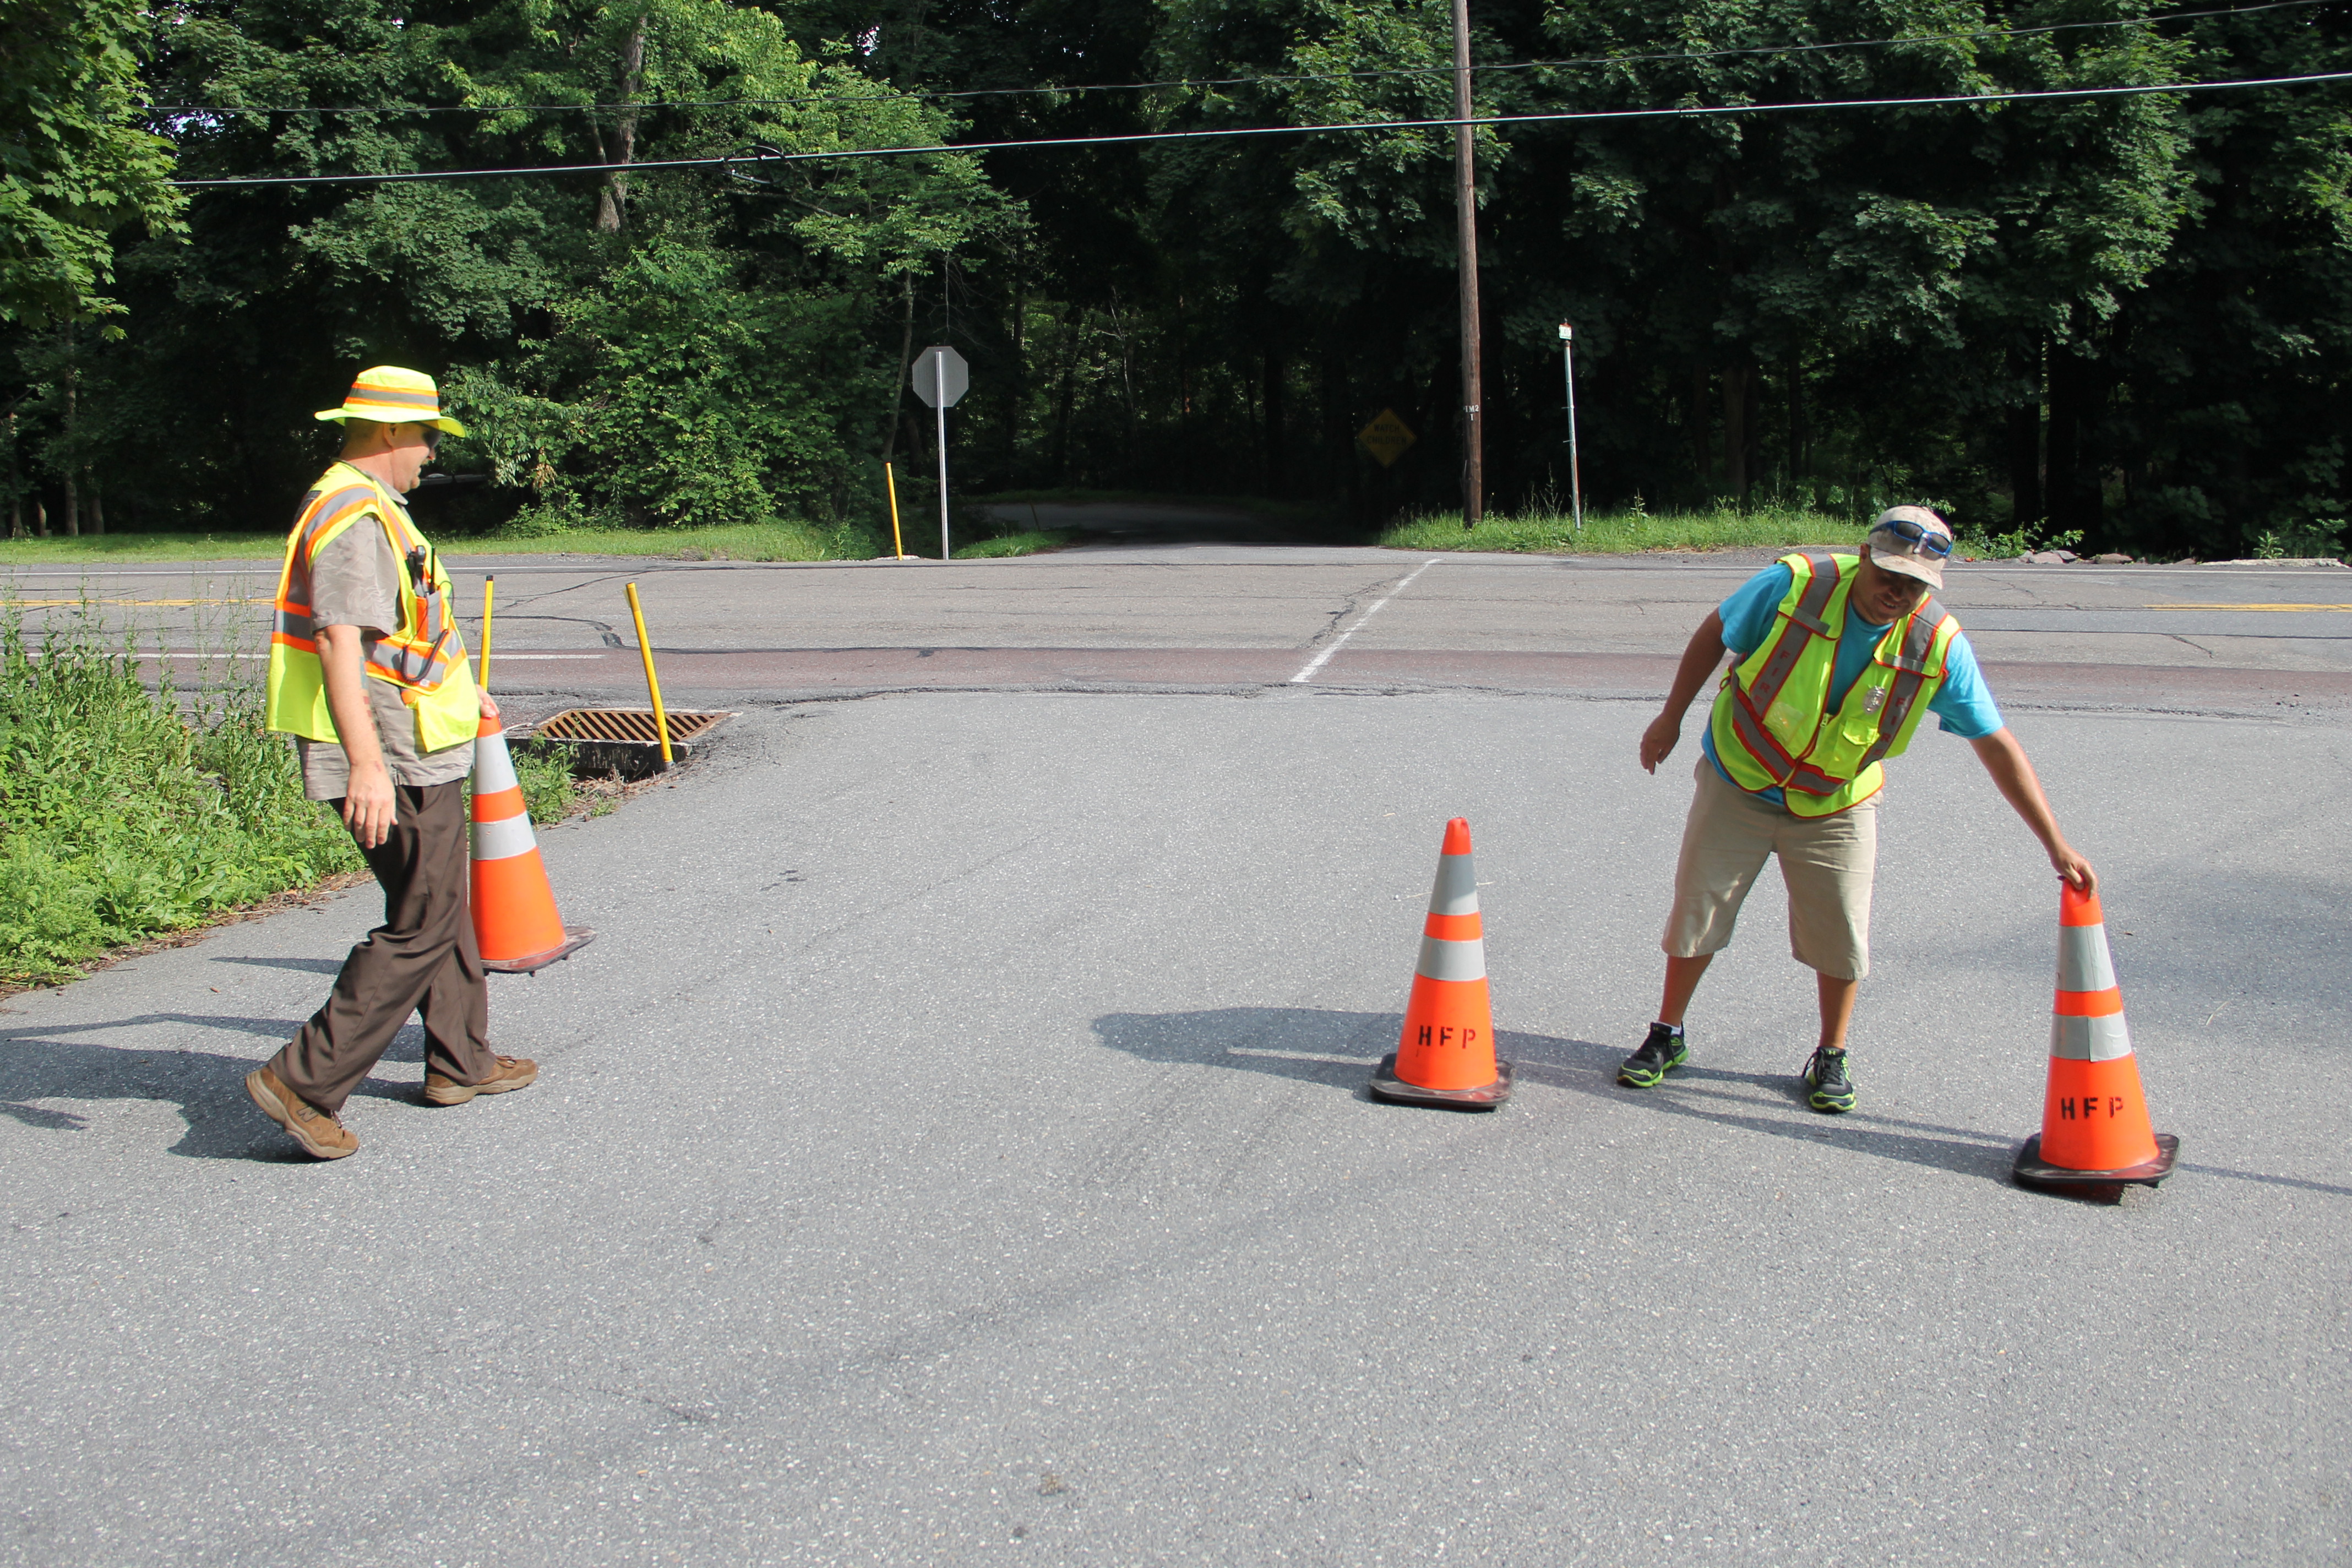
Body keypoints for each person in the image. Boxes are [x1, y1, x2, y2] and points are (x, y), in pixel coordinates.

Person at [1620, 505, 2095, 1113]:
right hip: (1740, 775)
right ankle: (1667, 1032)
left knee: (1842, 932)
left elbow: (1996, 744)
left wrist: (2055, 843)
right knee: (1698, 908)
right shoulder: (1795, 585)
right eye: (1889, 576)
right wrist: (1671, 717)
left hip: (1836, 801)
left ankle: (1831, 1053)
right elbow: (1717, 631)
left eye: (1914, 585)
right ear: (1865, 555)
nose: (1897, 593)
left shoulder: (1938, 644)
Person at [243, 366, 536, 1159]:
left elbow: (405, 634)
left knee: (436, 901)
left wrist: (462, 688)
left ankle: (461, 1061)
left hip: (414, 738)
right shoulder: (356, 515)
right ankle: (302, 1081)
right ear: (391, 432)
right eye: (428, 436)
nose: (433, 452)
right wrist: (367, 767)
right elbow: (341, 641)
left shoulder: (369, 506)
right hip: (394, 754)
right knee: (424, 918)